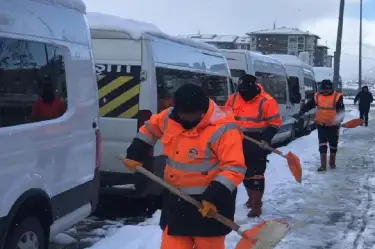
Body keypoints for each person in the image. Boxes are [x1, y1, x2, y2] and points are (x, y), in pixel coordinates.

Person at [122, 83, 246, 249]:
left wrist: (213, 197)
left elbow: (234, 168)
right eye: (183, 114)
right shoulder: (169, 117)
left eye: (192, 115)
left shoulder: (224, 128)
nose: (187, 119)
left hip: (210, 204)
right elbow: (149, 130)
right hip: (176, 200)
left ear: (202, 110)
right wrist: (135, 153)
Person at [225, 74, 281, 217]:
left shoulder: (267, 101)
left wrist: (266, 139)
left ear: (255, 88)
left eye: (246, 91)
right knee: (244, 173)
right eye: (241, 91)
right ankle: (251, 198)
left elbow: (274, 124)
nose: (243, 94)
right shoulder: (233, 98)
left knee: (256, 174)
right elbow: (225, 117)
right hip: (237, 139)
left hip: (258, 140)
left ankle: (257, 205)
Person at [294, 79, 345, 171]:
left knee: (333, 145)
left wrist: (339, 119)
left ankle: (332, 163)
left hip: (333, 126)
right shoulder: (317, 96)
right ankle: (323, 166)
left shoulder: (337, 97)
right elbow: (309, 105)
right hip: (321, 125)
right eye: (323, 89)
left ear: (331, 88)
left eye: (327, 89)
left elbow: (341, 110)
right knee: (322, 145)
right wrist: (301, 112)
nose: (325, 91)